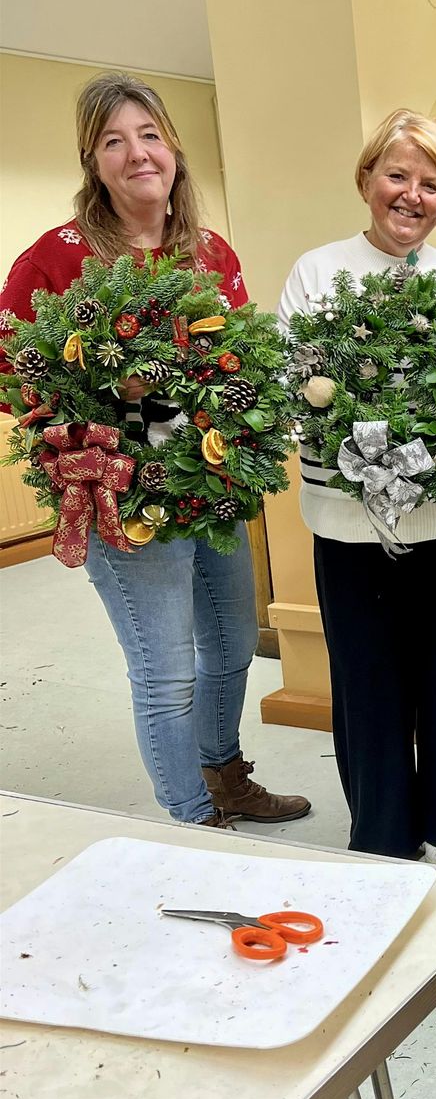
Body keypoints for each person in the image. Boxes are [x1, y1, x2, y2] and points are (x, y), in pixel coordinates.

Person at [0, 72, 309, 828]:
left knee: (233, 646)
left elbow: (241, 360)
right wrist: (99, 408)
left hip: (211, 489)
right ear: (92, 161)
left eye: (149, 135)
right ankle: (192, 821)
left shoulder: (207, 252)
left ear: (172, 147)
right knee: (165, 670)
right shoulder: (57, 260)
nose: (137, 153)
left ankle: (224, 775)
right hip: (124, 499)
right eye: (114, 141)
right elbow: (15, 368)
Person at [279, 109, 436, 870]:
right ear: (366, 180)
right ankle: (382, 829)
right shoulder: (319, 271)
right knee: (369, 678)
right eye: (397, 176)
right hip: (350, 521)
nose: (412, 195)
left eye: (431, 183)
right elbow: (291, 389)